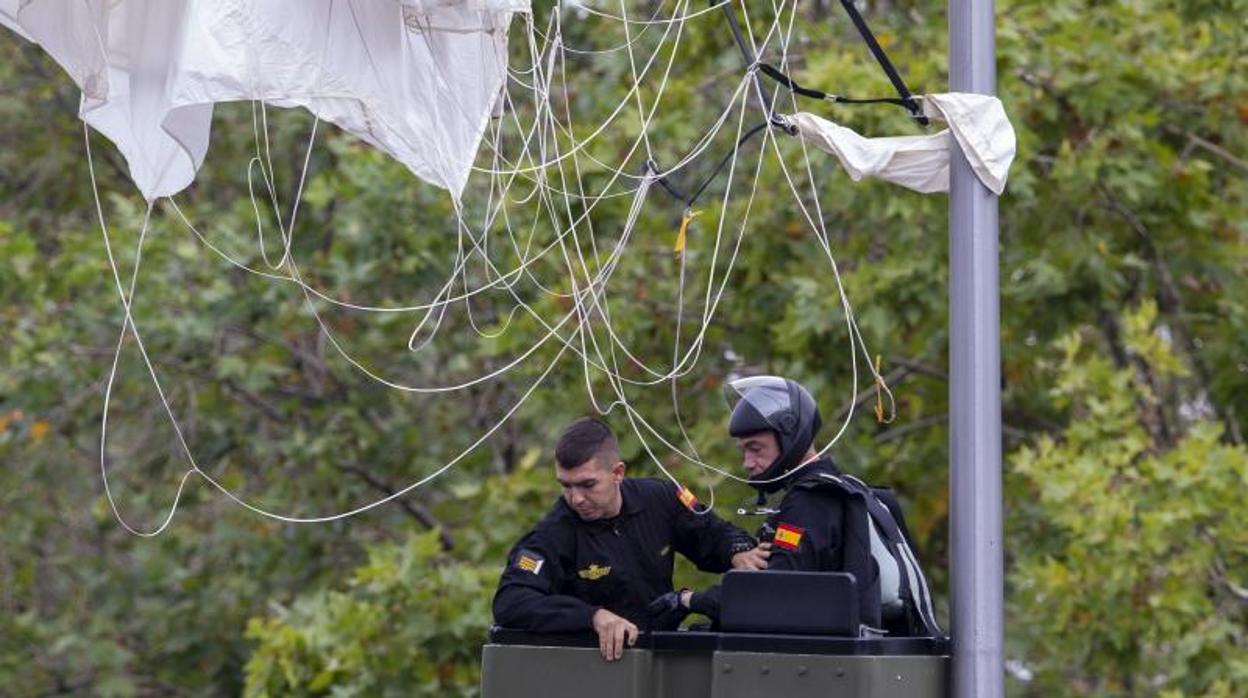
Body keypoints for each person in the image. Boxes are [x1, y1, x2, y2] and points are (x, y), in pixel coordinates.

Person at [492, 417, 768, 661]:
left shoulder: (660, 498)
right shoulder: (554, 534)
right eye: (566, 485)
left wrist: (738, 551)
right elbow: (511, 601)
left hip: (661, 661)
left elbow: (713, 532)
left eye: (587, 485)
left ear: (617, 473)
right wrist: (592, 617)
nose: (576, 498)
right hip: (598, 670)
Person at [727, 375, 942, 637]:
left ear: (789, 436)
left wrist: (691, 600)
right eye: (743, 451)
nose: (748, 463)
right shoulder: (849, 488)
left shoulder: (809, 499)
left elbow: (776, 591)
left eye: (756, 448)